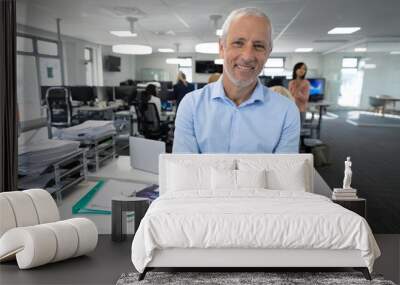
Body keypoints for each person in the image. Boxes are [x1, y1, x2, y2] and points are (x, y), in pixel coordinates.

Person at [173, 7, 300, 154]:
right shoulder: (191, 106)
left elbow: (282, 174)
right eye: (238, 43)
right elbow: (185, 172)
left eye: (258, 46)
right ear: (222, 48)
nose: (247, 56)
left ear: (268, 53)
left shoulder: (287, 112)